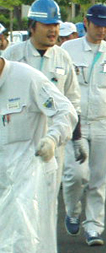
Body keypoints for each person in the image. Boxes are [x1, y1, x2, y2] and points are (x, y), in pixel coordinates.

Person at [0, 56, 77, 253]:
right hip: (2, 177)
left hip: (32, 175)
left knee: (39, 246)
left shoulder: (27, 78)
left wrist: (53, 139)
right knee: (3, 245)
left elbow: (65, 111)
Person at [3, 0, 85, 198]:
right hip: (17, 141)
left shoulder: (63, 57)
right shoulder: (13, 54)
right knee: (15, 201)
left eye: (56, 25)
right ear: (32, 27)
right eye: (47, 25)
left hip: (52, 141)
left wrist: (77, 138)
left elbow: (72, 100)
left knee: (47, 201)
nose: (53, 30)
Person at [61, 4, 106, 246]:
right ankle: (72, 210)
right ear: (86, 23)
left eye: (105, 26)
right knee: (75, 175)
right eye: (97, 25)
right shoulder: (68, 49)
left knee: (98, 178)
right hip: (75, 123)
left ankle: (94, 227)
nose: (101, 30)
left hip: (102, 122)